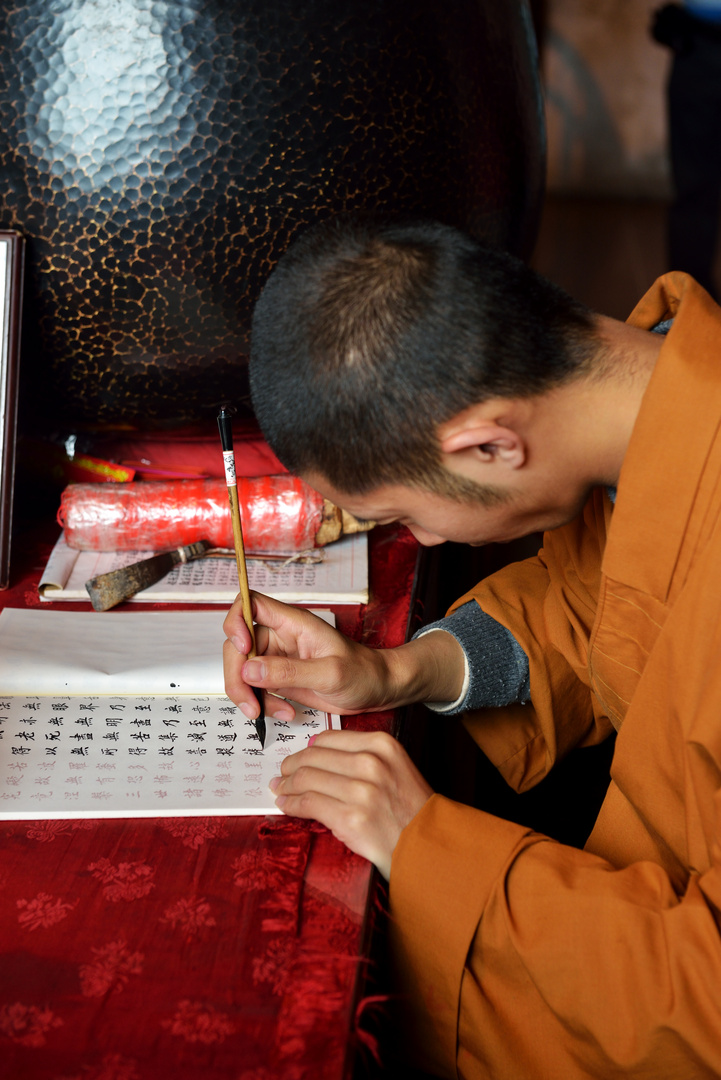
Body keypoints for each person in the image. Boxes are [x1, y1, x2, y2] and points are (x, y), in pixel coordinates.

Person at [223, 216, 721, 1078]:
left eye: (403, 519)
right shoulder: (665, 392)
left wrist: (421, 841)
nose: (426, 539)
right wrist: (396, 669)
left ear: (489, 442)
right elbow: (605, 611)